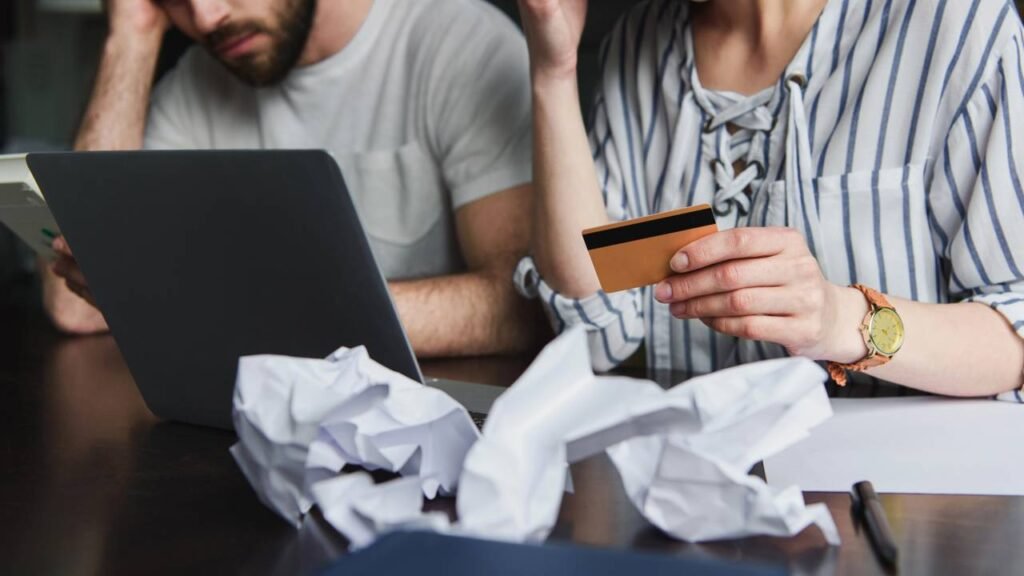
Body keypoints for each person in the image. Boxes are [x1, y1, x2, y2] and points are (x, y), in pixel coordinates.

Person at [516, 0, 1024, 397]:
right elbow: (597, 335)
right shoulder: (637, 44)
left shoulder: (955, 25)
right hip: (697, 484)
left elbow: (1014, 329)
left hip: (896, 492)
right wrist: (554, 71)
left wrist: (838, 318)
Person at [45, 0, 541, 358]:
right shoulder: (196, 84)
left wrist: (238, 309)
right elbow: (77, 308)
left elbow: (521, 305)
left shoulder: (462, 44)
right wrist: (130, 36)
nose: (206, 17)